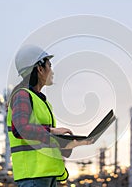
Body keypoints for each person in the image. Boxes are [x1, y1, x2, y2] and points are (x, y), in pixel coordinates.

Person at [6, 45, 90, 187]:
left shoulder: (41, 101)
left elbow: (42, 139)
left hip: (46, 175)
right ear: (39, 69)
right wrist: (53, 131)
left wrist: (68, 143)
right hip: (33, 176)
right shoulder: (22, 95)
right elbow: (20, 129)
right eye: (49, 66)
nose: (52, 71)